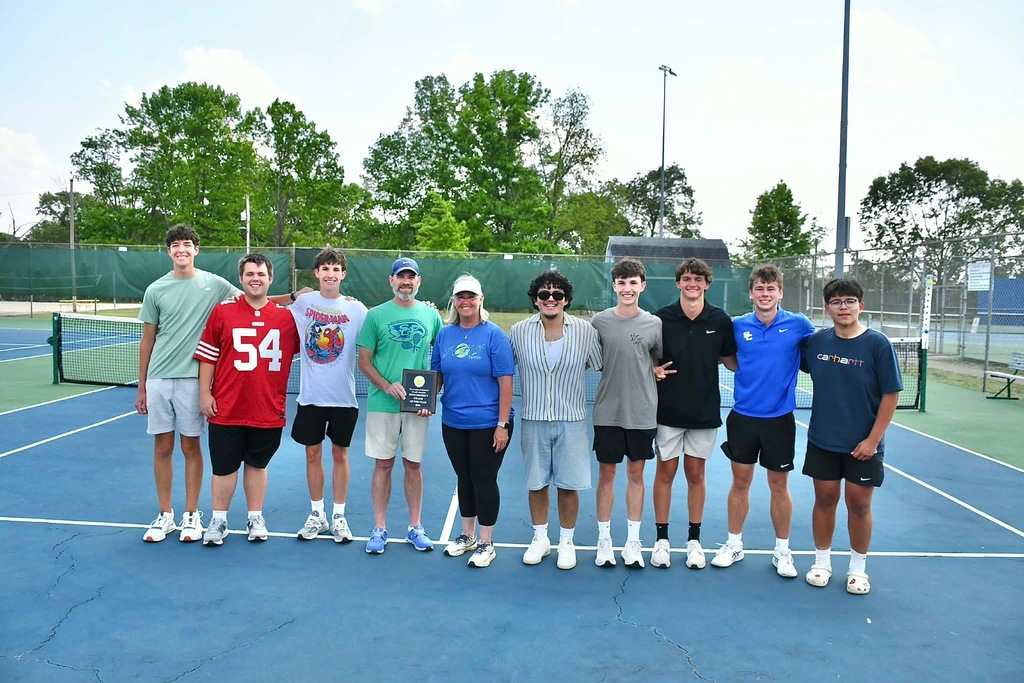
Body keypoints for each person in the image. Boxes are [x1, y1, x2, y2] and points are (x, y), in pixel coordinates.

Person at [135, 224, 297, 543]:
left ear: (196, 249)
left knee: (189, 446)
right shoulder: (155, 289)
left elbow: (255, 296)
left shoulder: (214, 284)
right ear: (169, 251)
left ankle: (193, 515)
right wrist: (141, 386)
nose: (181, 249)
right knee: (163, 447)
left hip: (193, 380)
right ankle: (165, 514)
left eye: (187, 244)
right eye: (175, 245)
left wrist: (294, 297)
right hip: (159, 379)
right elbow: (147, 339)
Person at [709, 264, 814, 577]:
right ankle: (734, 544)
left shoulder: (799, 325)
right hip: (742, 418)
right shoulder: (738, 325)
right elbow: (719, 356)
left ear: (780, 292)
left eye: (771, 288)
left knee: (779, 486)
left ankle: (782, 551)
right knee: (740, 483)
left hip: (779, 420)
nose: (765, 294)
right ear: (751, 293)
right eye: (759, 288)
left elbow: (822, 352)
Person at [801, 278, 902, 595]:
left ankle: (858, 569)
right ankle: (822, 562)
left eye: (849, 301)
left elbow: (891, 395)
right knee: (825, 500)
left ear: (860, 305)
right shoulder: (815, 343)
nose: (842, 307)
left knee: (859, 504)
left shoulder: (877, 344)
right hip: (822, 440)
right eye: (836, 302)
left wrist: (872, 441)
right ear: (827, 307)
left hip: (863, 445)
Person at [195, 254, 300, 545]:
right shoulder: (223, 312)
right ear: (241, 279)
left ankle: (255, 516)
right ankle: (219, 520)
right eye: (250, 273)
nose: (256, 278)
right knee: (223, 468)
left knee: (257, 465)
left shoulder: (286, 318)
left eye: (261, 274)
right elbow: (208, 358)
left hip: (267, 407)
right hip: (227, 407)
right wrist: (205, 393)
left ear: (271, 279)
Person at [509, 270, 602, 570]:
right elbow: (502, 370)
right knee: (536, 483)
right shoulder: (519, 332)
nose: (551, 299)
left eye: (557, 295)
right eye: (544, 295)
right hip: (533, 418)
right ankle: (540, 539)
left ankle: (566, 542)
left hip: (572, 420)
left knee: (568, 484)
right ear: (535, 300)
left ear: (566, 300)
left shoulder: (586, 332)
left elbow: (602, 365)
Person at [651, 257, 736, 570]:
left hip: (703, 413)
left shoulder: (720, 320)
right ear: (678, 283)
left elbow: (732, 360)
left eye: (698, 279)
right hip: (667, 412)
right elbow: (648, 356)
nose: (692, 283)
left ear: (706, 284)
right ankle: (661, 541)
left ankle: (694, 541)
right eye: (687, 278)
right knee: (666, 473)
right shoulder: (661, 319)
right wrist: (653, 369)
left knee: (696, 474)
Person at [356, 257, 442, 554]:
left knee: (413, 464)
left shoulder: (431, 316)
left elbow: (439, 361)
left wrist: (431, 397)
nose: (406, 282)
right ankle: (379, 528)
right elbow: (363, 361)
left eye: (411, 277)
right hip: (383, 404)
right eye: (400, 277)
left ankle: (415, 527)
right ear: (391, 281)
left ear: (418, 282)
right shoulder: (376, 316)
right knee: (383, 465)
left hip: (417, 407)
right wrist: (386, 385)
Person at [432, 274, 515, 568]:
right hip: (453, 422)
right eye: (460, 297)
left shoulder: (494, 335)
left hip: (488, 423)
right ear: (454, 301)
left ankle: (486, 542)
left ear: (480, 300)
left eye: (471, 297)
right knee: (464, 478)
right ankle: (467, 537)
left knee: (483, 478)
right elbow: (437, 376)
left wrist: (502, 425)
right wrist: (424, 399)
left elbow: (506, 384)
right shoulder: (444, 335)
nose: (465, 302)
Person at [291, 246, 368, 544]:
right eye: (325, 268)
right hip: (310, 398)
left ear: (343, 274)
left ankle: (338, 516)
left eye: (336, 269)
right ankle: (317, 514)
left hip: (344, 399)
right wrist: (297, 293)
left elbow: (375, 336)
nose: (330, 273)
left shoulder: (357, 309)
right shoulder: (303, 303)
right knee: (312, 455)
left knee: (340, 455)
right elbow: (269, 306)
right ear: (317, 273)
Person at [591, 257, 664, 569]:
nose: (627, 288)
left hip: (642, 414)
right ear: (615, 285)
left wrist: (655, 369)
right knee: (607, 475)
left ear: (642, 286)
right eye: (621, 282)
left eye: (633, 282)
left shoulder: (654, 324)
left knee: (636, 475)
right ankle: (604, 541)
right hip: (607, 413)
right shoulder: (599, 322)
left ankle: (633, 542)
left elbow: (656, 360)